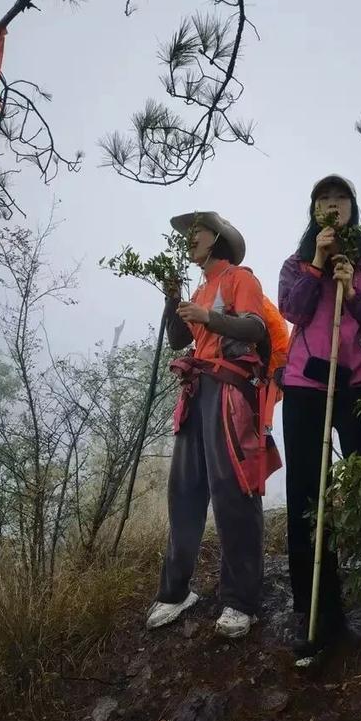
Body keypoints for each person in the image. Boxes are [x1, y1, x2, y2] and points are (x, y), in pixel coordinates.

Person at [278, 174, 361, 655]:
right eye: (323, 199)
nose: (332, 205)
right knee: (307, 496)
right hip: (307, 386)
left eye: (340, 198)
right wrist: (317, 265)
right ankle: (318, 613)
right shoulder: (296, 264)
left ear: (353, 207)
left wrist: (353, 292)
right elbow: (292, 311)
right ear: (313, 210)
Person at [146, 211, 281, 639]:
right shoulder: (201, 289)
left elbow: (254, 327)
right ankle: (175, 591)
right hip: (196, 391)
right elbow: (178, 340)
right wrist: (171, 298)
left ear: (217, 238)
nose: (190, 238)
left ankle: (241, 600)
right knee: (184, 490)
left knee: (233, 490)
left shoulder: (240, 278)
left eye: (197, 231)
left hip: (229, 394)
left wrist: (209, 318)